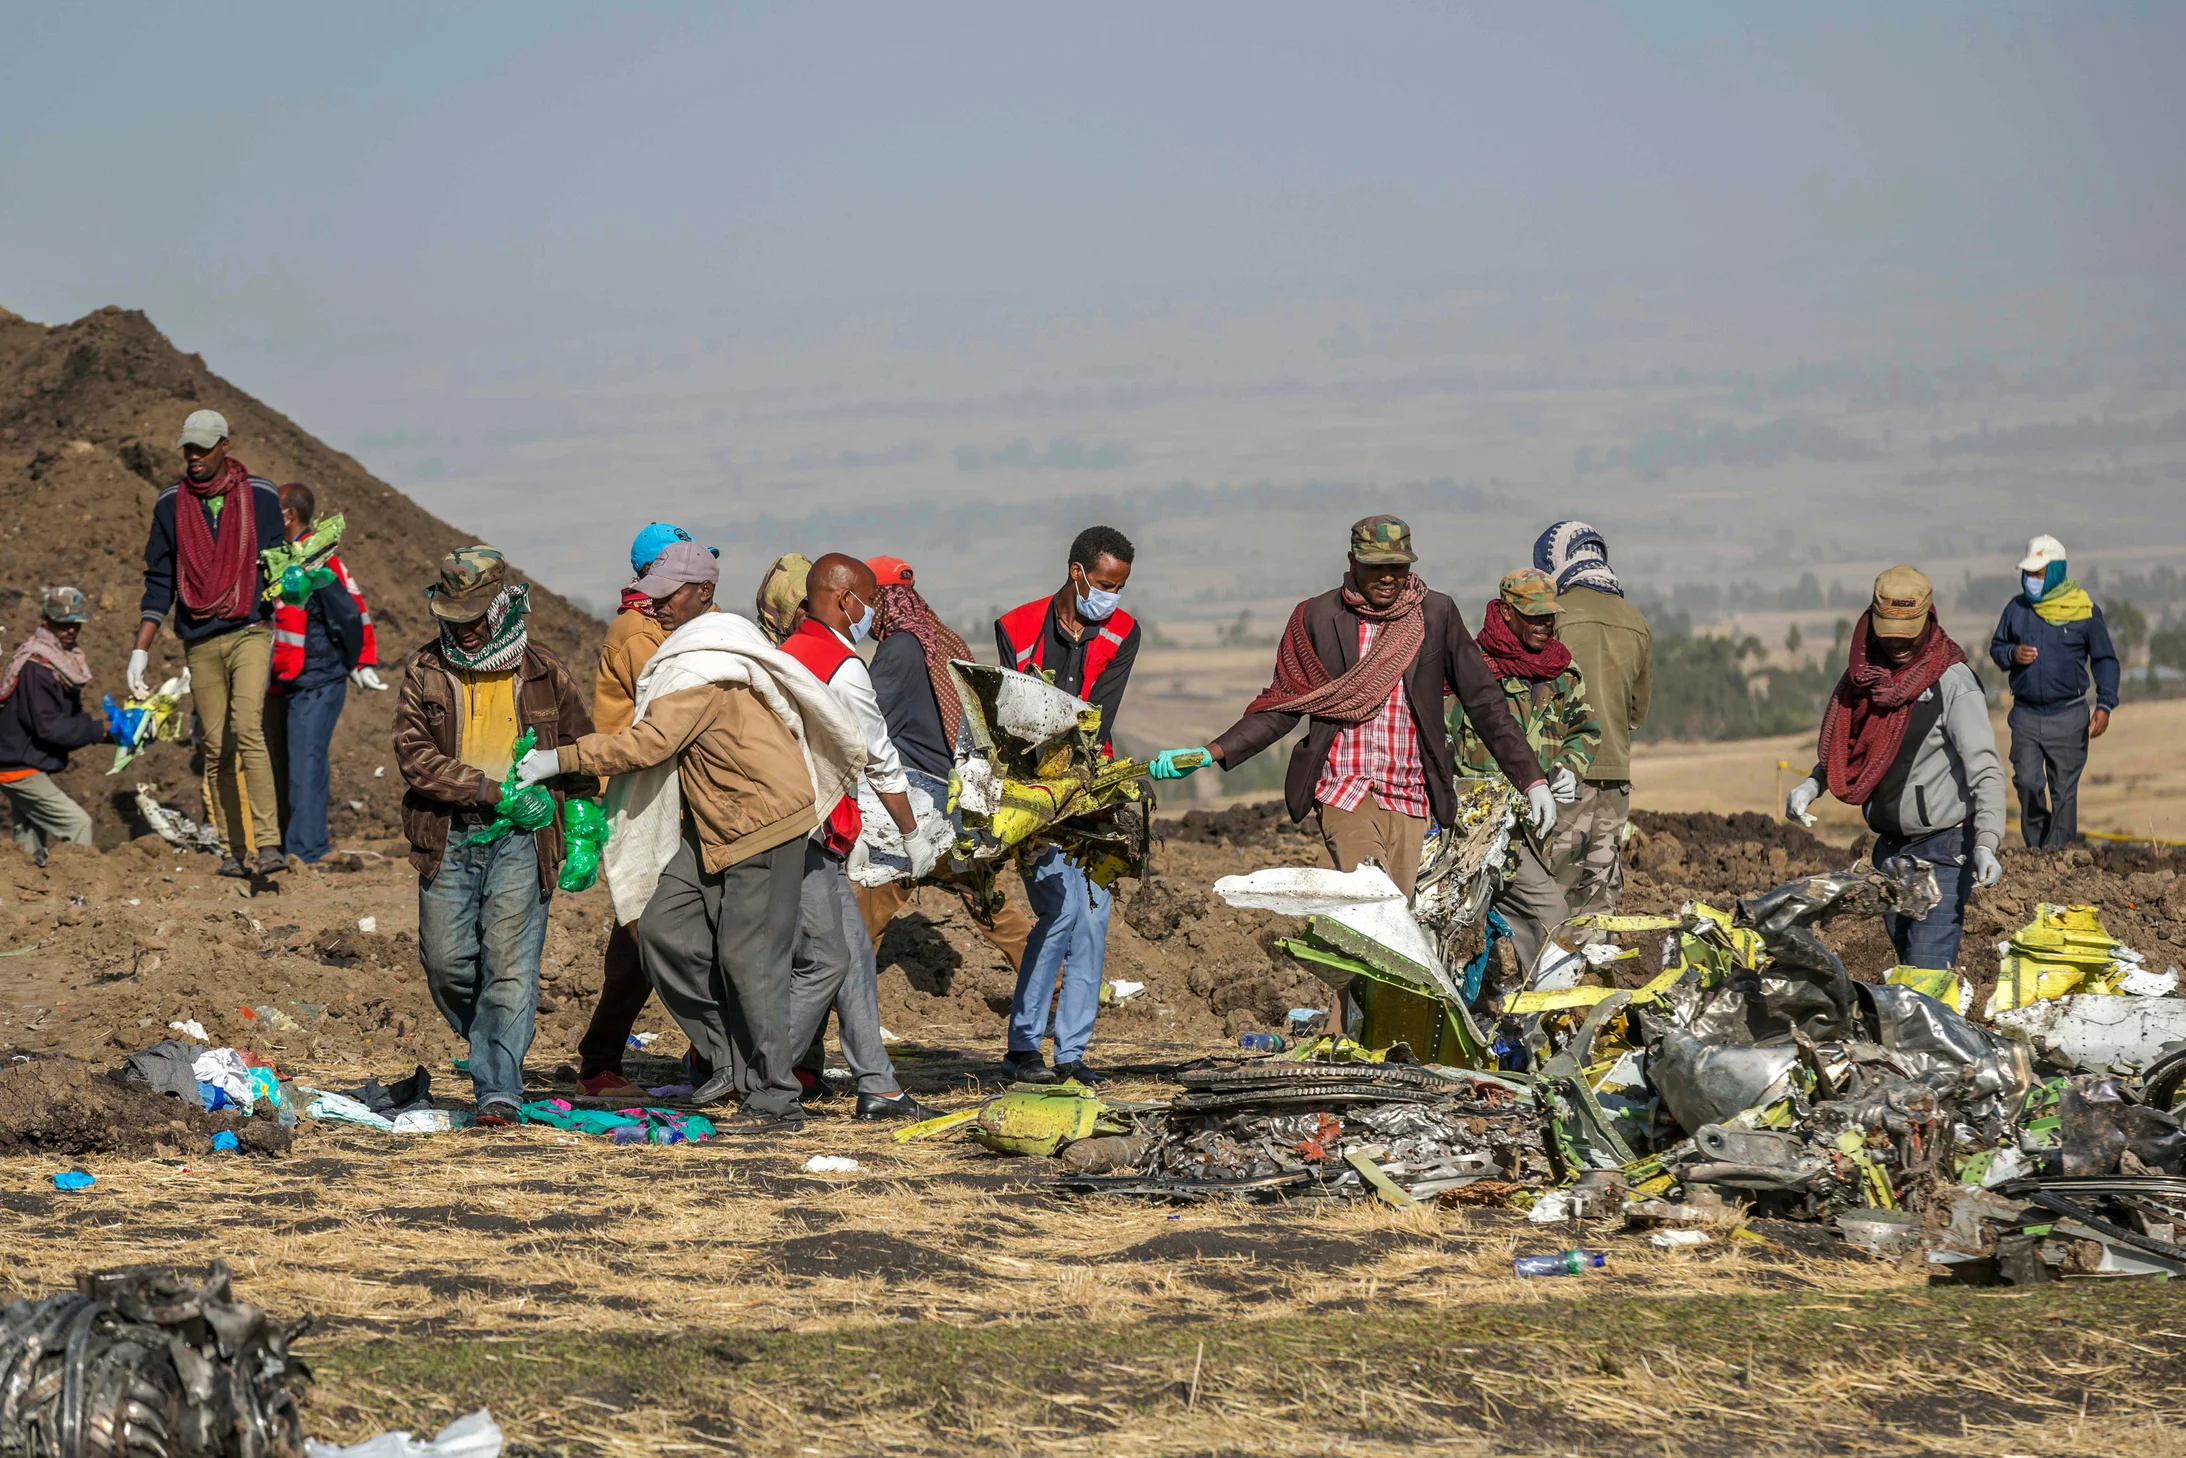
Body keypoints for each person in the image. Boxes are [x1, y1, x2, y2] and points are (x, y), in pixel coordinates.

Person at [513, 542, 867, 1135]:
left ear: (702, 593)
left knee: (749, 961)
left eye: (667, 598)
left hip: (760, 824)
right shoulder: (699, 653)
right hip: (712, 825)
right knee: (659, 927)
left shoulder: (705, 667)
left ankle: (775, 1098)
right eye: (651, 599)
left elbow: (646, 743)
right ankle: (730, 1056)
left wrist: (560, 757)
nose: (656, 610)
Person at [393, 547, 598, 1125]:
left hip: (523, 840)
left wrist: (583, 825)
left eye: (474, 616)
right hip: (449, 836)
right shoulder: (424, 671)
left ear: (504, 605)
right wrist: (489, 791)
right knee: (446, 961)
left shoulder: (543, 672)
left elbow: (578, 752)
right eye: (453, 616)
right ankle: (491, 1038)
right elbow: (414, 756)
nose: (463, 628)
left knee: (509, 965)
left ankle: (498, 1089)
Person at [775, 553, 934, 1119]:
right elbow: (879, 757)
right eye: (867, 601)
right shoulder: (842, 668)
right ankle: (761, 1076)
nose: (871, 614)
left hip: (796, 828)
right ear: (846, 601)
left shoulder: (788, 653)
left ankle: (878, 1084)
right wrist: (913, 834)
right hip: (805, 834)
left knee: (856, 955)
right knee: (825, 959)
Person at [1787, 567, 2004, 971]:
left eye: (1909, 635)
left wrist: (1987, 842)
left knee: (1925, 976)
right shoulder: (1866, 681)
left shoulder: (1952, 683)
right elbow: (1848, 749)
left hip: (1943, 850)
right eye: (1889, 635)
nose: (1898, 645)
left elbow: (1986, 771)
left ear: (1928, 621)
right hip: (1888, 853)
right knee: (1908, 966)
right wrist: (1813, 784)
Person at [991, 526, 1143, 1085]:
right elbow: (1014, 713)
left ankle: (1073, 1053)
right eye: (1105, 584)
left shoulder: (1123, 632)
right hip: (1032, 792)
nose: (1112, 598)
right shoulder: (1016, 626)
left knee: (1094, 920)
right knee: (1059, 914)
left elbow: (1098, 714)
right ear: (1077, 572)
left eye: (1121, 586)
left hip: (1092, 790)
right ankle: (1024, 1046)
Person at [573, 523, 714, 1101]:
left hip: (673, 793)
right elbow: (672, 707)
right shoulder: (640, 632)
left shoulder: (665, 625)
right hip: (642, 796)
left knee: (665, 926)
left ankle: (705, 1050)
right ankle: (604, 1058)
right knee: (642, 931)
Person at [132, 409, 290, 878]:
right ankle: (232, 850)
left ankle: (269, 843)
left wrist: (292, 580)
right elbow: (159, 580)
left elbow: (279, 565)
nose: (194, 457)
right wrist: (141, 647)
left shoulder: (260, 497)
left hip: (250, 630)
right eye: (188, 448)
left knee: (247, 727)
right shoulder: (170, 504)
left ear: (225, 445)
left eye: (203, 447)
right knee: (216, 745)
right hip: (199, 637)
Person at [861, 554, 1034, 970]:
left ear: (882, 599)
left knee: (866, 910)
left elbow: (865, 724)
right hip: (955, 800)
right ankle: (1053, 986)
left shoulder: (898, 650)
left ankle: (838, 1003)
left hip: (917, 806)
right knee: (989, 902)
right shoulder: (943, 641)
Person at [1450, 569, 1602, 973]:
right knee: (1456, 928)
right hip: (1471, 830)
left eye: (1549, 616)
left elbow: (1584, 730)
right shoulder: (1470, 671)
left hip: (1538, 828)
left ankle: (1548, 1015)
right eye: (1533, 616)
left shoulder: (1563, 671)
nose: (1544, 625)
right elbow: (1439, 742)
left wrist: (1571, 767)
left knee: (1550, 917)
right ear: (1505, 612)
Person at [1533, 520, 1652, 915]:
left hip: (1563, 773)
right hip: (1616, 774)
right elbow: (1638, 712)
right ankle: (1594, 967)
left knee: (1555, 882)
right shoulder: (1636, 621)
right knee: (1600, 887)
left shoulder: (1555, 618)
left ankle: (1551, 971)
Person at [1988, 535, 2120, 850]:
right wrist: (2011, 655)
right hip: (2026, 716)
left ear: (2057, 571)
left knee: (2064, 791)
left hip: (2070, 714)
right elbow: (1997, 647)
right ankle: (2037, 850)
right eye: (2028, 573)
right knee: (2028, 783)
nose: (2031, 580)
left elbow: (2104, 660)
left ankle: (2058, 858)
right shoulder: (2016, 609)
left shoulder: (2084, 610)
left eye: (2038, 573)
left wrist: (2104, 705)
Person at [266, 484, 366, 865]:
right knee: (302, 762)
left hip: (319, 678)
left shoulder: (316, 561)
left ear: (289, 514)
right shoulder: (286, 558)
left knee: (305, 764)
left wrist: (350, 662)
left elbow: (348, 614)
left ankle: (305, 851)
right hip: (295, 680)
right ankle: (305, 841)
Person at [0, 588, 113, 864]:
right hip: (17, 766)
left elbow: (62, 720)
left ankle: (23, 895)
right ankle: (81, 889)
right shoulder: (38, 667)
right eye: (63, 623)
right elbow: (50, 727)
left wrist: (105, 730)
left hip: (20, 761)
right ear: (45, 621)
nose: (70, 630)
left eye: (74, 623)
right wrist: (101, 730)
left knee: (28, 837)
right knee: (78, 825)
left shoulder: (57, 662)